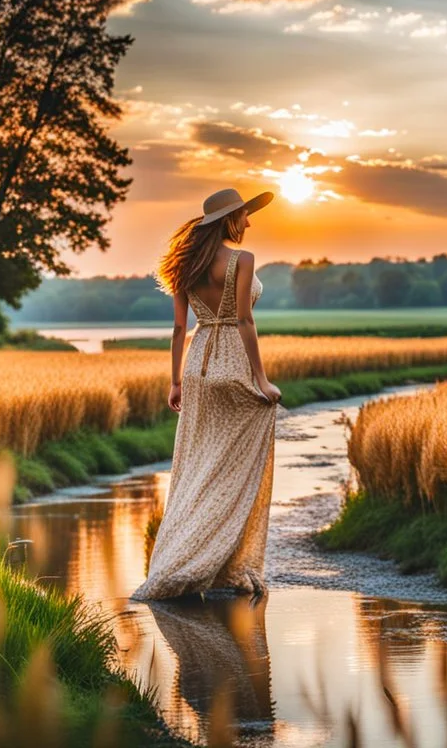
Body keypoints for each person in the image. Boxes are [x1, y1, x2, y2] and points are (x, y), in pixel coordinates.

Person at [130, 187, 281, 601]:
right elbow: (245, 321)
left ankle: (193, 557)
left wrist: (175, 381)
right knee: (234, 466)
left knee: (197, 465)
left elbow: (180, 328)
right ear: (229, 221)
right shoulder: (242, 261)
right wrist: (262, 381)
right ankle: (218, 561)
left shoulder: (186, 265)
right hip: (232, 361)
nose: (248, 222)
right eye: (244, 216)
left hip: (197, 366)